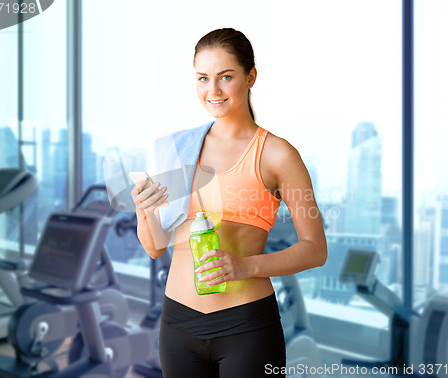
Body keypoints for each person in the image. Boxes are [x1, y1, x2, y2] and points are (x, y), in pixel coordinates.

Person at [131, 27, 327, 378]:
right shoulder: (179, 149)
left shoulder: (277, 155)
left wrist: (245, 267)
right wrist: (143, 211)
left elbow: (315, 249)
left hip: (246, 327)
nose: (213, 91)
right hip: (178, 325)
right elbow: (155, 248)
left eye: (225, 77)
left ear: (251, 76)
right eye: (203, 78)